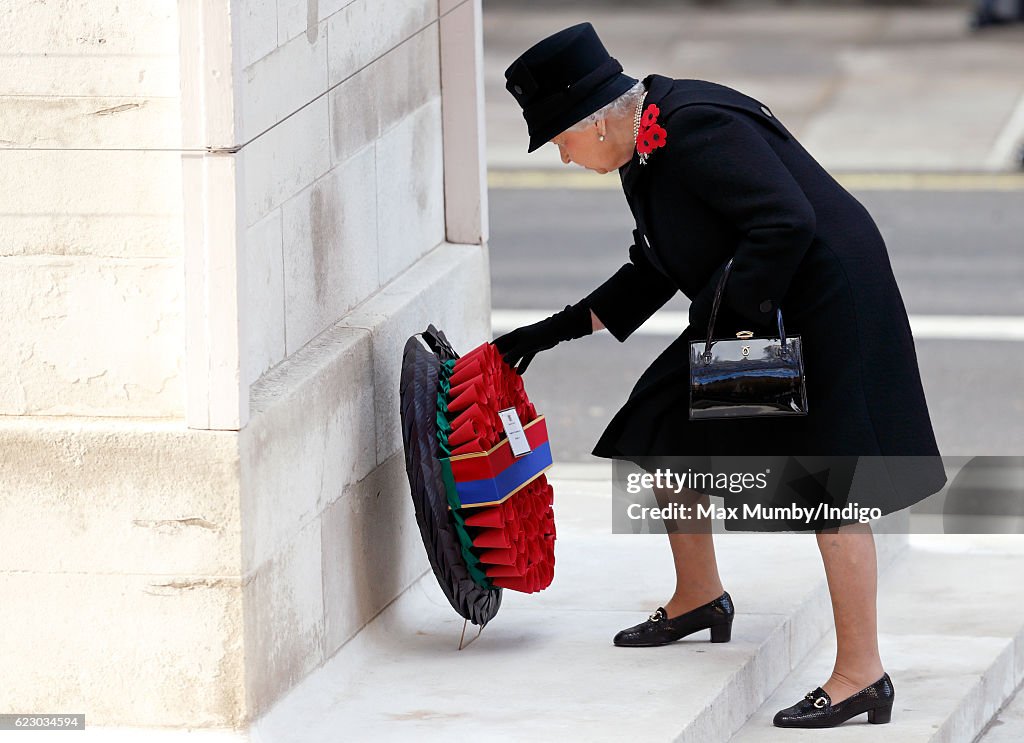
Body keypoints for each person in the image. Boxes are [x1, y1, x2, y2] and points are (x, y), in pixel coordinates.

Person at [493, 22, 947, 729]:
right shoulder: (642, 149)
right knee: (661, 423)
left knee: (831, 486)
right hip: (760, 305)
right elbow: (656, 266)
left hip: (826, 304)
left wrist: (728, 326)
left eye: (559, 140)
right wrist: (550, 331)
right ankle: (698, 596)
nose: (561, 156)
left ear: (594, 122)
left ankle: (863, 673)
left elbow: (786, 222)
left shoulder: (694, 128)